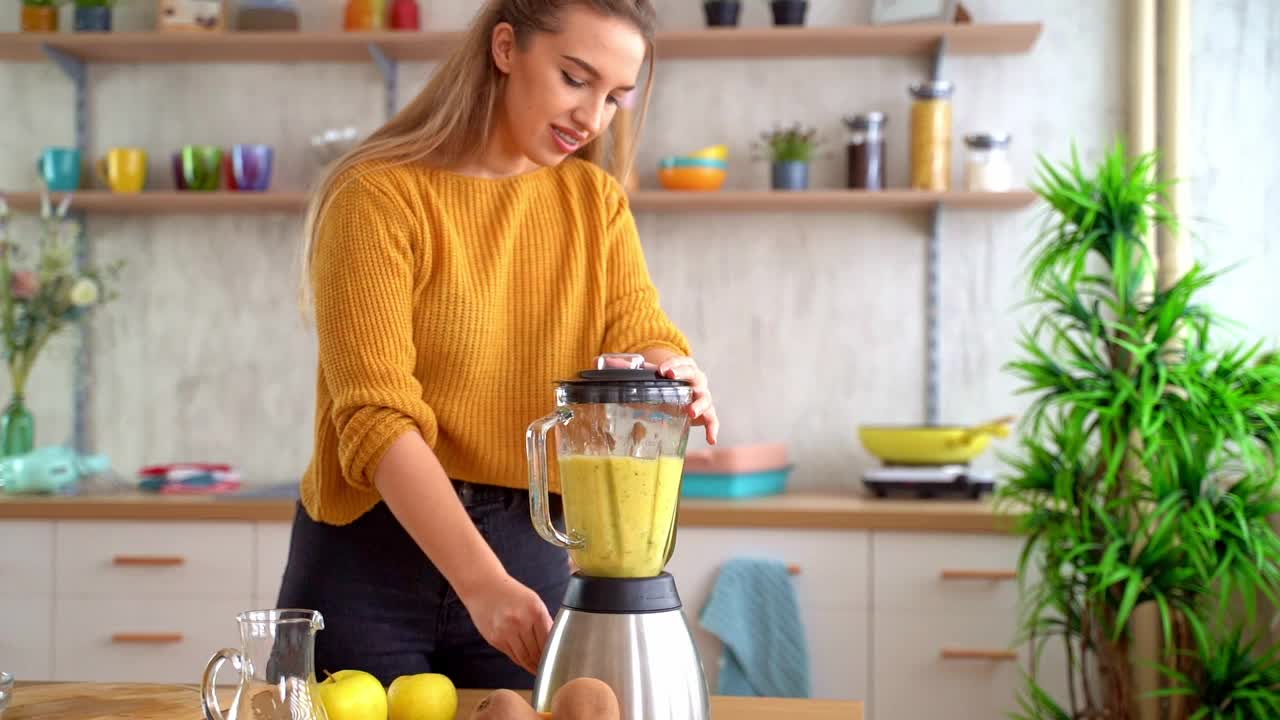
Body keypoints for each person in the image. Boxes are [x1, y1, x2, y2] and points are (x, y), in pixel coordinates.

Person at [275, 0, 720, 691]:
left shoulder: (594, 202)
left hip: (529, 560)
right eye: (576, 78)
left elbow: (637, 329)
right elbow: (374, 418)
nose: (593, 117)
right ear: (507, 48)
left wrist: (667, 369)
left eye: (614, 97)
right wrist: (482, 585)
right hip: (369, 563)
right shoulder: (376, 196)